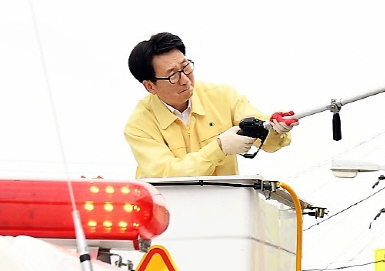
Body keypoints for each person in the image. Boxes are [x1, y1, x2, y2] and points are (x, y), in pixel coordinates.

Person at [124, 32, 297, 178]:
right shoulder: (139, 126)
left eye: (186, 67)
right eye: (173, 76)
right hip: (170, 211)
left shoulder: (222, 97)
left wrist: (275, 127)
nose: (185, 80)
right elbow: (168, 174)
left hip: (223, 207)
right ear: (150, 86)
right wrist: (219, 148)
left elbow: (268, 138)